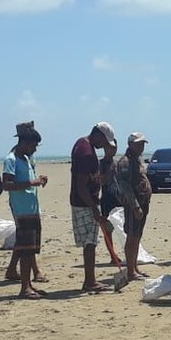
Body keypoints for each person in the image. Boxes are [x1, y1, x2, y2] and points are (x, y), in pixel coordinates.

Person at [1, 121, 48, 300]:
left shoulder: (26, 159)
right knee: (26, 249)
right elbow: (7, 184)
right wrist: (31, 182)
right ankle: (24, 288)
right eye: (33, 145)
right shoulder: (11, 160)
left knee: (30, 249)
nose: (35, 149)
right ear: (25, 143)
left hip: (32, 208)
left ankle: (28, 285)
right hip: (22, 210)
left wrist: (38, 180)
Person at [71, 122, 117, 293]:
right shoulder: (87, 153)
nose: (103, 146)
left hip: (83, 201)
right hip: (84, 203)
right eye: (103, 142)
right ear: (97, 134)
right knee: (90, 243)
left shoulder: (80, 143)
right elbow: (81, 185)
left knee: (89, 242)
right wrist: (94, 207)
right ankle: (90, 281)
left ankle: (90, 280)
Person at [115, 132, 152, 281]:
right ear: (130, 144)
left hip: (143, 202)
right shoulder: (125, 162)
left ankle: (134, 267)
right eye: (138, 144)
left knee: (137, 236)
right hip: (133, 204)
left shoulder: (137, 160)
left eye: (143, 144)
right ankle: (130, 270)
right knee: (131, 236)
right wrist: (135, 206)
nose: (141, 147)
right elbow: (126, 187)